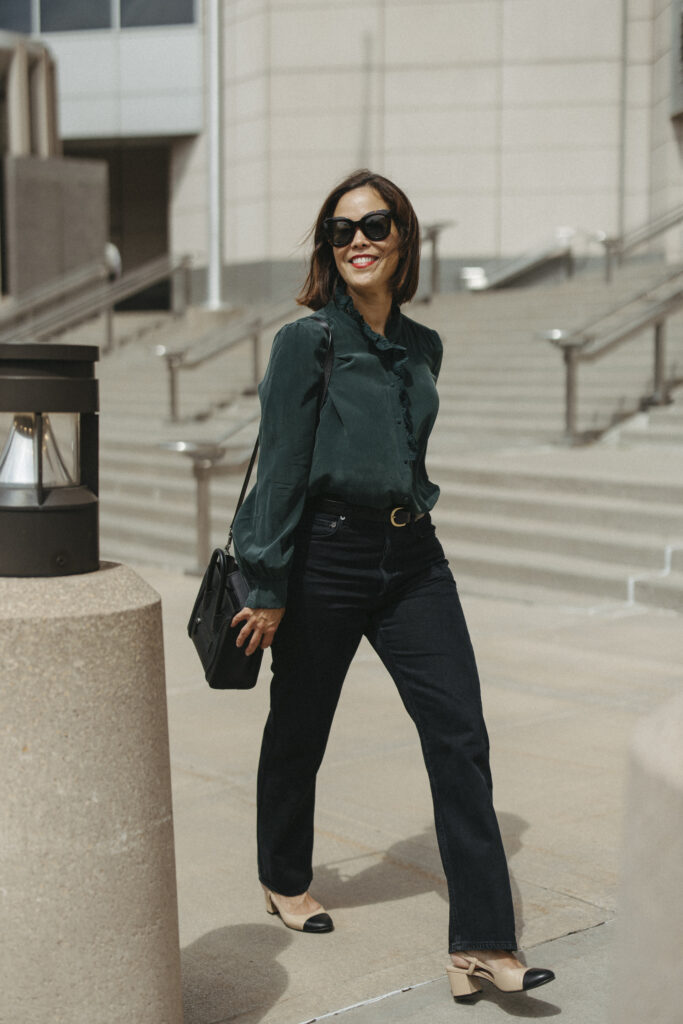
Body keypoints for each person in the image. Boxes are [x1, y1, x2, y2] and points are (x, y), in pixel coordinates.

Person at [231, 169, 555, 1001]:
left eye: (374, 224)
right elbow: (281, 466)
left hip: (413, 560)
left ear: (402, 236)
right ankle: (282, 870)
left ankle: (481, 944)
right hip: (325, 558)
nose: (359, 240)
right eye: (341, 231)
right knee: (301, 725)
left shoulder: (423, 346)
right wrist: (265, 580)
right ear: (327, 249)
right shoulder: (306, 343)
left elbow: (408, 454)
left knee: (459, 734)